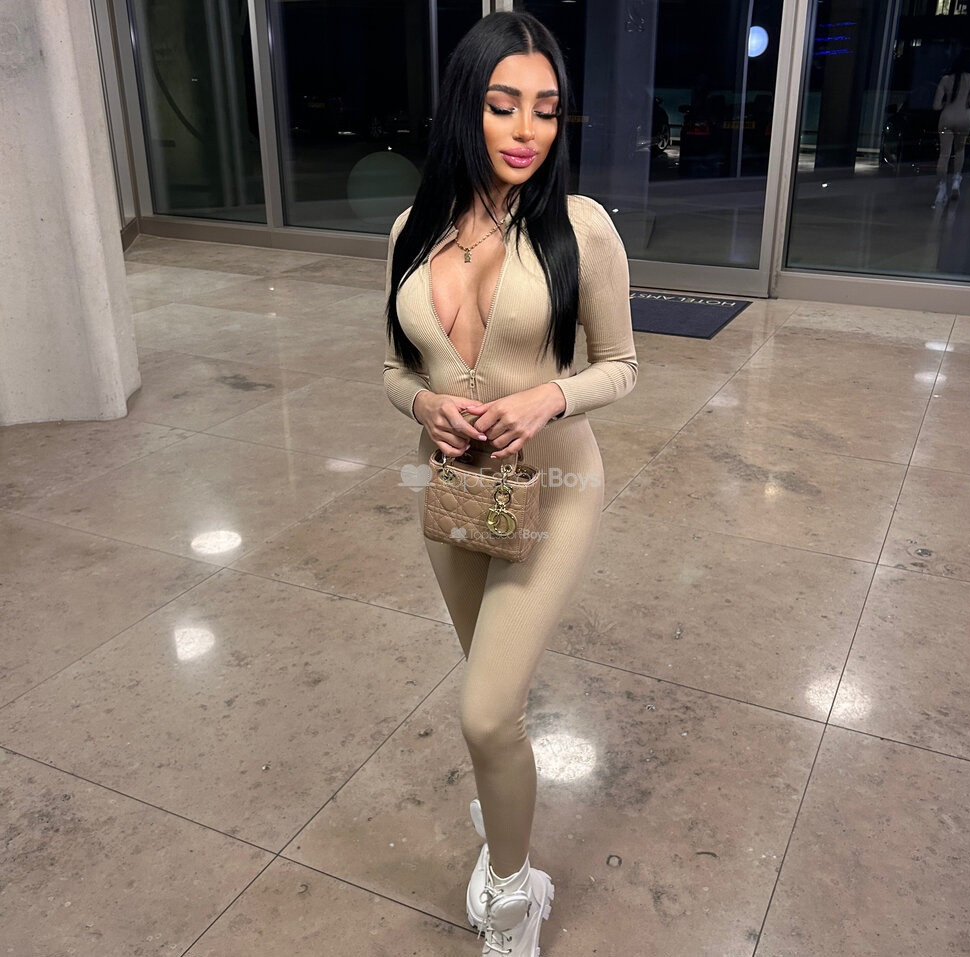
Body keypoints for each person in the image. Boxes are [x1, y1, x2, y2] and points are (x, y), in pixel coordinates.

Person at [382, 12, 637, 956]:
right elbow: (393, 370)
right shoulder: (412, 229)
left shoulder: (581, 227)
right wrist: (423, 405)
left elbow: (622, 365)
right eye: (503, 105)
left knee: (485, 711)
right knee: (497, 707)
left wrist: (550, 396)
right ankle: (507, 822)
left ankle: (513, 892)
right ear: (467, 107)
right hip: (454, 489)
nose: (527, 130)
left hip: (555, 486)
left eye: (546, 108)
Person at [932, 52, 970, 208]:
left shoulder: (945, 80)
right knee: (960, 150)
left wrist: (947, 104)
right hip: (965, 119)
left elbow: (936, 106)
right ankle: (956, 183)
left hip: (946, 118)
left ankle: (941, 190)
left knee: (944, 154)